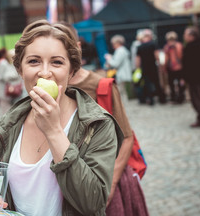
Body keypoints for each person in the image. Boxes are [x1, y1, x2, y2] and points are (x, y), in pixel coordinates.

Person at [0, 19, 123, 215]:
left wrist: (54, 131)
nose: (45, 73)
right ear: (20, 69)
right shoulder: (9, 123)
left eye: (57, 62)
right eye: (34, 61)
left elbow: (93, 202)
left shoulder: (98, 125)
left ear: (71, 71)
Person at [65, 22, 148, 215]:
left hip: (105, 178)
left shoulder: (100, 85)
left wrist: (110, 185)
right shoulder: (47, 87)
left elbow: (126, 137)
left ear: (77, 47)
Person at [182, 26, 200, 127]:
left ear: (191, 36)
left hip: (194, 78)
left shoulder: (190, 47)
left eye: (185, 34)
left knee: (196, 99)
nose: (184, 36)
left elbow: (187, 65)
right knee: (198, 98)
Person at [136, 29, 166, 105]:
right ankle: (162, 99)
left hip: (144, 67)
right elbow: (157, 55)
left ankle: (151, 100)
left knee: (147, 83)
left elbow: (138, 59)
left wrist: (138, 68)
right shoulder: (153, 44)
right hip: (152, 66)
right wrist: (159, 64)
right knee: (156, 82)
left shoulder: (139, 47)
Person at [105, 35, 133, 103]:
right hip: (123, 73)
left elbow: (115, 63)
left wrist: (109, 58)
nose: (113, 45)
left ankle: (122, 106)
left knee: (120, 91)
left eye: (113, 43)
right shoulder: (122, 50)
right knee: (122, 91)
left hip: (122, 74)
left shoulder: (120, 51)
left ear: (118, 43)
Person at [163, 31, 185, 103]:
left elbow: (166, 59)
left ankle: (174, 97)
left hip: (171, 68)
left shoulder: (167, 47)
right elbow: (182, 57)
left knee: (171, 83)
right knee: (180, 82)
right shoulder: (179, 45)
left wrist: (164, 67)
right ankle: (181, 96)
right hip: (180, 67)